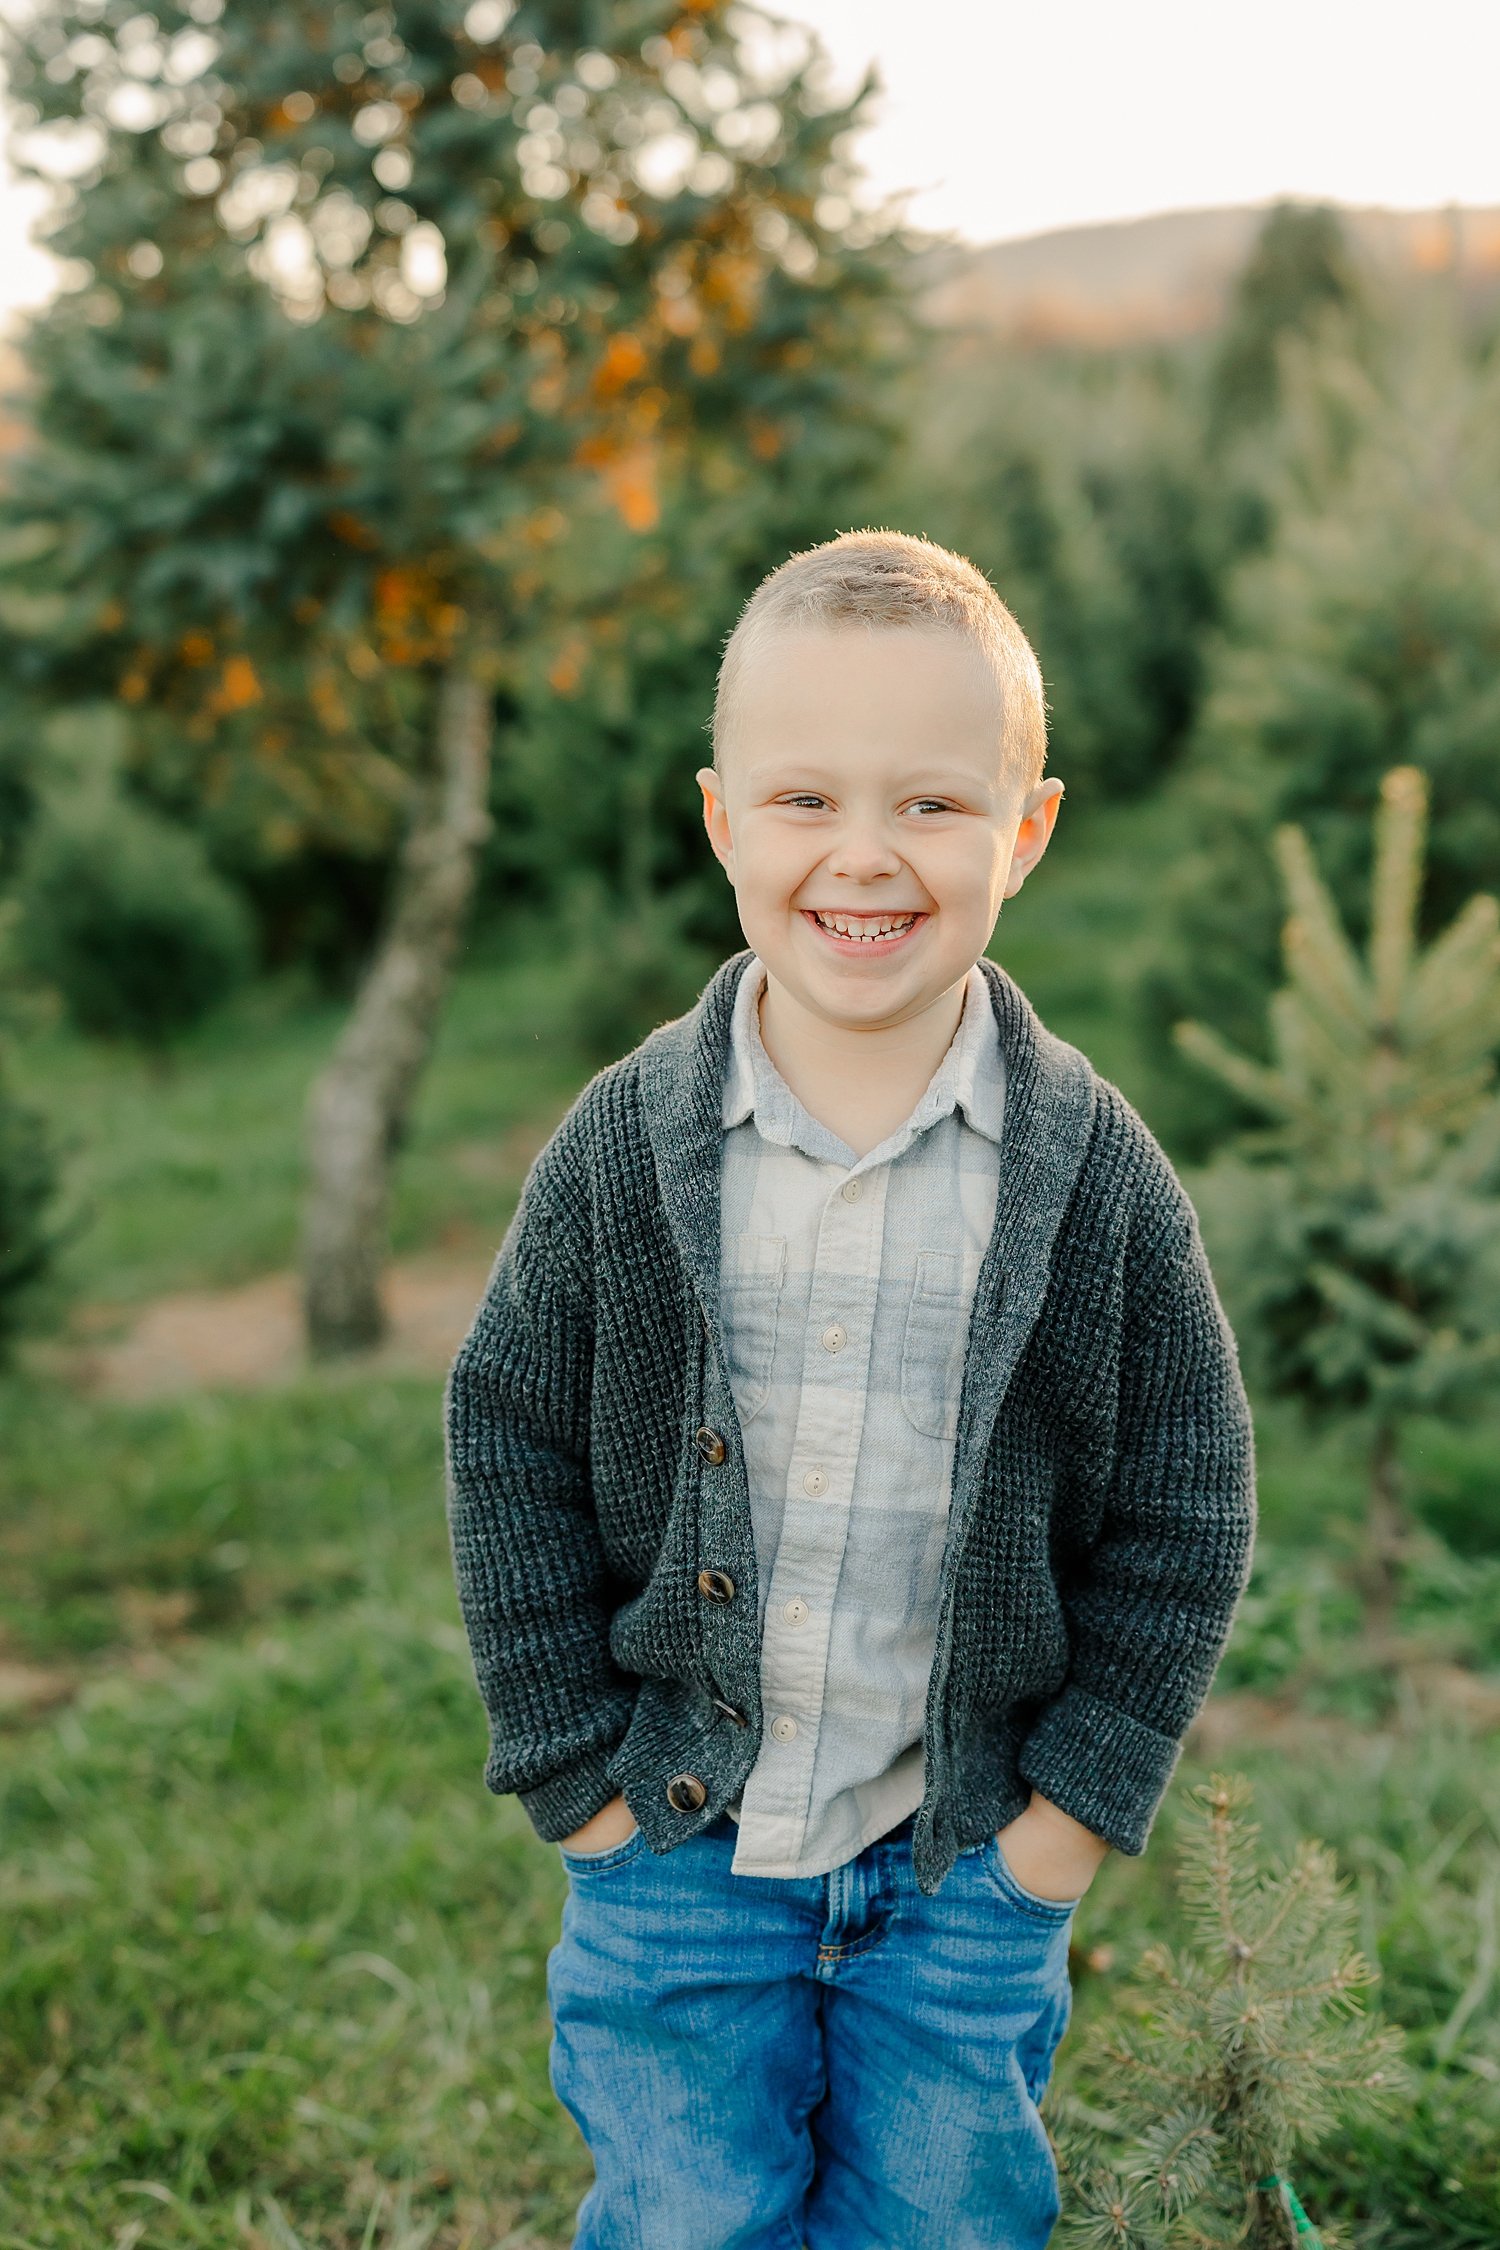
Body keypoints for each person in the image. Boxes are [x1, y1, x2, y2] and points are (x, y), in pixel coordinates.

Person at [445, 529, 1256, 2250]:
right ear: (725, 816)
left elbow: (1193, 1508)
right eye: (806, 801)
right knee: (686, 2218)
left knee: (947, 2220)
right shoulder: (622, 1148)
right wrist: (574, 1778)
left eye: (933, 807)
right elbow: (503, 1434)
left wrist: (1065, 1827)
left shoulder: (1092, 1175)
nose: (866, 857)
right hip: (670, 1850)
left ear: (1026, 831)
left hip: (961, 1864)